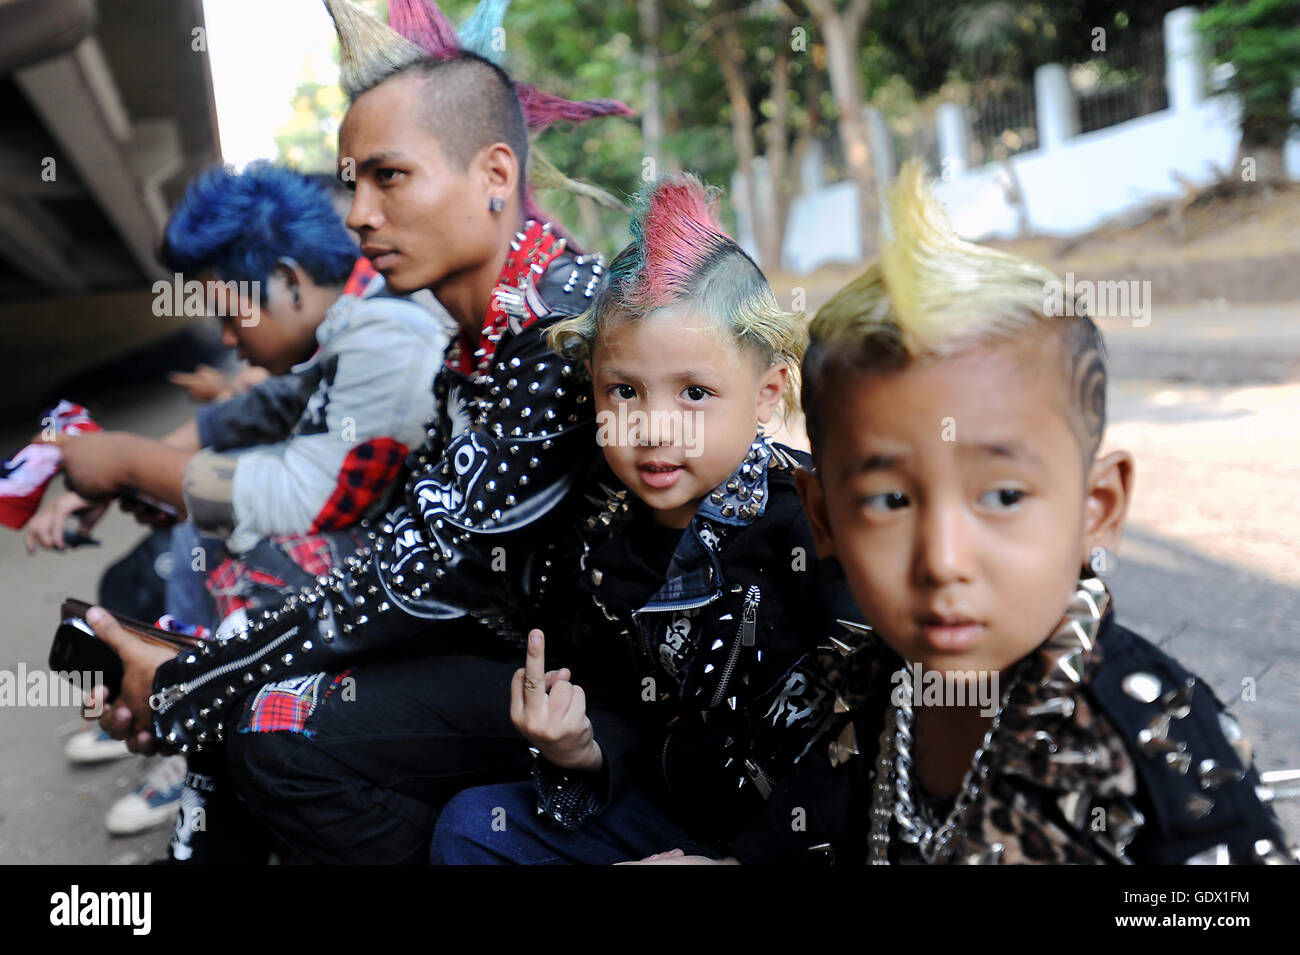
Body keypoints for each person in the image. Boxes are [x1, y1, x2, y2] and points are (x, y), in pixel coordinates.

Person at [607, 163, 1292, 865]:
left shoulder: (1155, 739)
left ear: (1099, 507)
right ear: (824, 519)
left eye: (1002, 496)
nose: (943, 558)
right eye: (889, 501)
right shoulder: (870, 686)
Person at [77, 0, 630, 863]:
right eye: (353, 180)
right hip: (514, 657)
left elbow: (408, 579)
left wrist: (190, 680)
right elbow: (405, 553)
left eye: (389, 177)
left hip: (600, 709)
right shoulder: (481, 331)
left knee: (273, 719)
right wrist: (202, 661)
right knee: (246, 685)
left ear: (494, 174)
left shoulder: (555, 333)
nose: (357, 215)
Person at [427, 173, 864, 864]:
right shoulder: (604, 543)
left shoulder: (815, 522)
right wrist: (580, 746)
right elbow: (626, 709)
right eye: (623, 390)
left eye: (695, 392)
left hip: (797, 838)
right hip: (670, 821)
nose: (655, 428)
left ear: (767, 393)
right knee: (472, 826)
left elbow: (865, 734)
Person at [51, 160, 448, 842]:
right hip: (375, 588)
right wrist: (150, 476)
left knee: (246, 539)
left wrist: (125, 458)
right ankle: (184, 706)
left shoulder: (392, 333)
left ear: (291, 281)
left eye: (232, 315)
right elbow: (260, 416)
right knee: (207, 520)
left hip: (422, 608)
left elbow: (300, 498)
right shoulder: (350, 324)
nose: (229, 340)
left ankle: (200, 726)